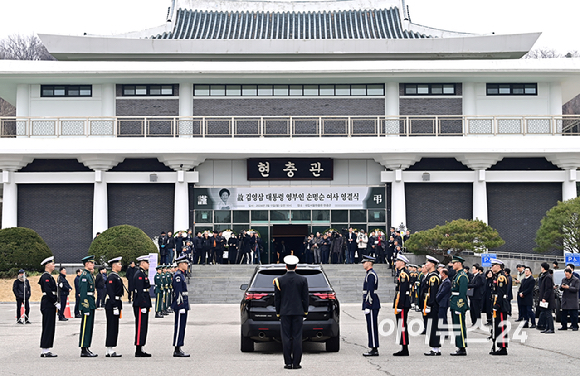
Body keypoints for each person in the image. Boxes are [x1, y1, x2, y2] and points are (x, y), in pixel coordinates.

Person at [274, 255, 309, 370]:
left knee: (286, 337)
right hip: (298, 312)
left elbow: (277, 299)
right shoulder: (303, 280)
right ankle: (296, 363)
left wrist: (278, 312)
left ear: (286, 266)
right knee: (297, 337)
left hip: (284, 312)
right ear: (296, 267)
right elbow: (305, 297)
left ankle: (288, 363)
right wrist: (305, 311)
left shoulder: (279, 280)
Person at [39, 256, 58, 357]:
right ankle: (45, 350)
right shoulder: (45, 277)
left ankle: (47, 348)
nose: (53, 265)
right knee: (47, 326)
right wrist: (55, 302)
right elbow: (48, 291)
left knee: (50, 326)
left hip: (50, 303)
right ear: (47, 265)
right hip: (48, 302)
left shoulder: (49, 276)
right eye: (52, 264)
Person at [422, 255, 441, 356]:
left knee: (434, 326)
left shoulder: (433, 277)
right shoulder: (430, 275)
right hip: (429, 304)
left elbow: (433, 293)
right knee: (431, 326)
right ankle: (434, 347)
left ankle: (436, 348)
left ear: (433, 264)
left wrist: (430, 305)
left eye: (428, 263)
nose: (426, 264)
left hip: (432, 305)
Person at [449, 255, 468, 356]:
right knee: (456, 326)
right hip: (454, 302)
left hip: (458, 304)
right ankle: (459, 346)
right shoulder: (457, 275)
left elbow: (462, 293)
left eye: (454, 263)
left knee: (460, 326)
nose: (453, 264)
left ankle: (462, 347)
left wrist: (460, 306)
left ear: (459, 264)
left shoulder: (462, 276)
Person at [172, 255, 191, 357]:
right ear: (180, 264)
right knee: (179, 326)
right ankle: (177, 348)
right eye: (185, 263)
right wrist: (181, 305)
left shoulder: (182, 275)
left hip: (183, 304)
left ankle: (179, 346)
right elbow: (178, 292)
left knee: (182, 327)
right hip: (180, 305)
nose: (187, 265)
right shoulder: (178, 276)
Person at [79, 255, 98, 357]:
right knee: (85, 327)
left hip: (91, 303)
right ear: (86, 264)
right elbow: (83, 293)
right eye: (91, 263)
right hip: (87, 304)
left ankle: (87, 347)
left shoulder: (90, 275)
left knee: (89, 327)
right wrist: (85, 307)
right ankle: (83, 348)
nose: (93, 264)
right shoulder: (84, 276)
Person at [361, 255, 380, 357]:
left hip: (372, 304)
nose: (363, 264)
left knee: (372, 327)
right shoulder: (369, 274)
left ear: (369, 263)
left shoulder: (371, 275)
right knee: (370, 326)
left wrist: (368, 305)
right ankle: (373, 346)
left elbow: (370, 292)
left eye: (364, 262)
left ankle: (374, 348)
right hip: (371, 304)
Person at [489, 259, 509, 356]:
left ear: (498, 266)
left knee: (501, 326)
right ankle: (499, 346)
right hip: (497, 302)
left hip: (501, 304)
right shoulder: (496, 276)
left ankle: (503, 347)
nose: (492, 267)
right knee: (497, 326)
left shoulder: (501, 277)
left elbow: (500, 294)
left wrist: (497, 305)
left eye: (493, 265)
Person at [105, 257, 124, 357]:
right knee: (111, 326)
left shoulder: (116, 276)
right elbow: (110, 291)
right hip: (113, 304)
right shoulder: (112, 277)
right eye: (119, 264)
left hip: (116, 302)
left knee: (114, 327)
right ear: (114, 266)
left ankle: (111, 348)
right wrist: (114, 306)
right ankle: (109, 349)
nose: (121, 266)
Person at [133, 255, 152, 356]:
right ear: (142, 263)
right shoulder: (139, 274)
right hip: (141, 303)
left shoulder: (142, 273)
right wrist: (143, 304)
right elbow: (140, 291)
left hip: (144, 301)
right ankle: (138, 349)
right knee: (140, 325)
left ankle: (141, 347)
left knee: (143, 326)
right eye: (147, 263)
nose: (148, 264)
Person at [393, 254, 411, 356]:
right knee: (401, 324)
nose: (396, 263)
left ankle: (405, 348)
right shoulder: (400, 273)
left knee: (402, 324)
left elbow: (403, 291)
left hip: (402, 303)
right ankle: (403, 346)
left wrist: (400, 305)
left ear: (403, 263)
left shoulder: (403, 274)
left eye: (398, 261)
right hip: (401, 302)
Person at [538, 262, 555, 334]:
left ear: (543, 268)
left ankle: (551, 328)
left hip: (547, 299)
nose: (541, 268)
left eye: (541, 267)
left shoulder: (548, 277)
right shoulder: (544, 276)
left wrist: (544, 297)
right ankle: (547, 328)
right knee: (545, 313)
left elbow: (548, 289)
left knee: (548, 314)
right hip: (544, 297)